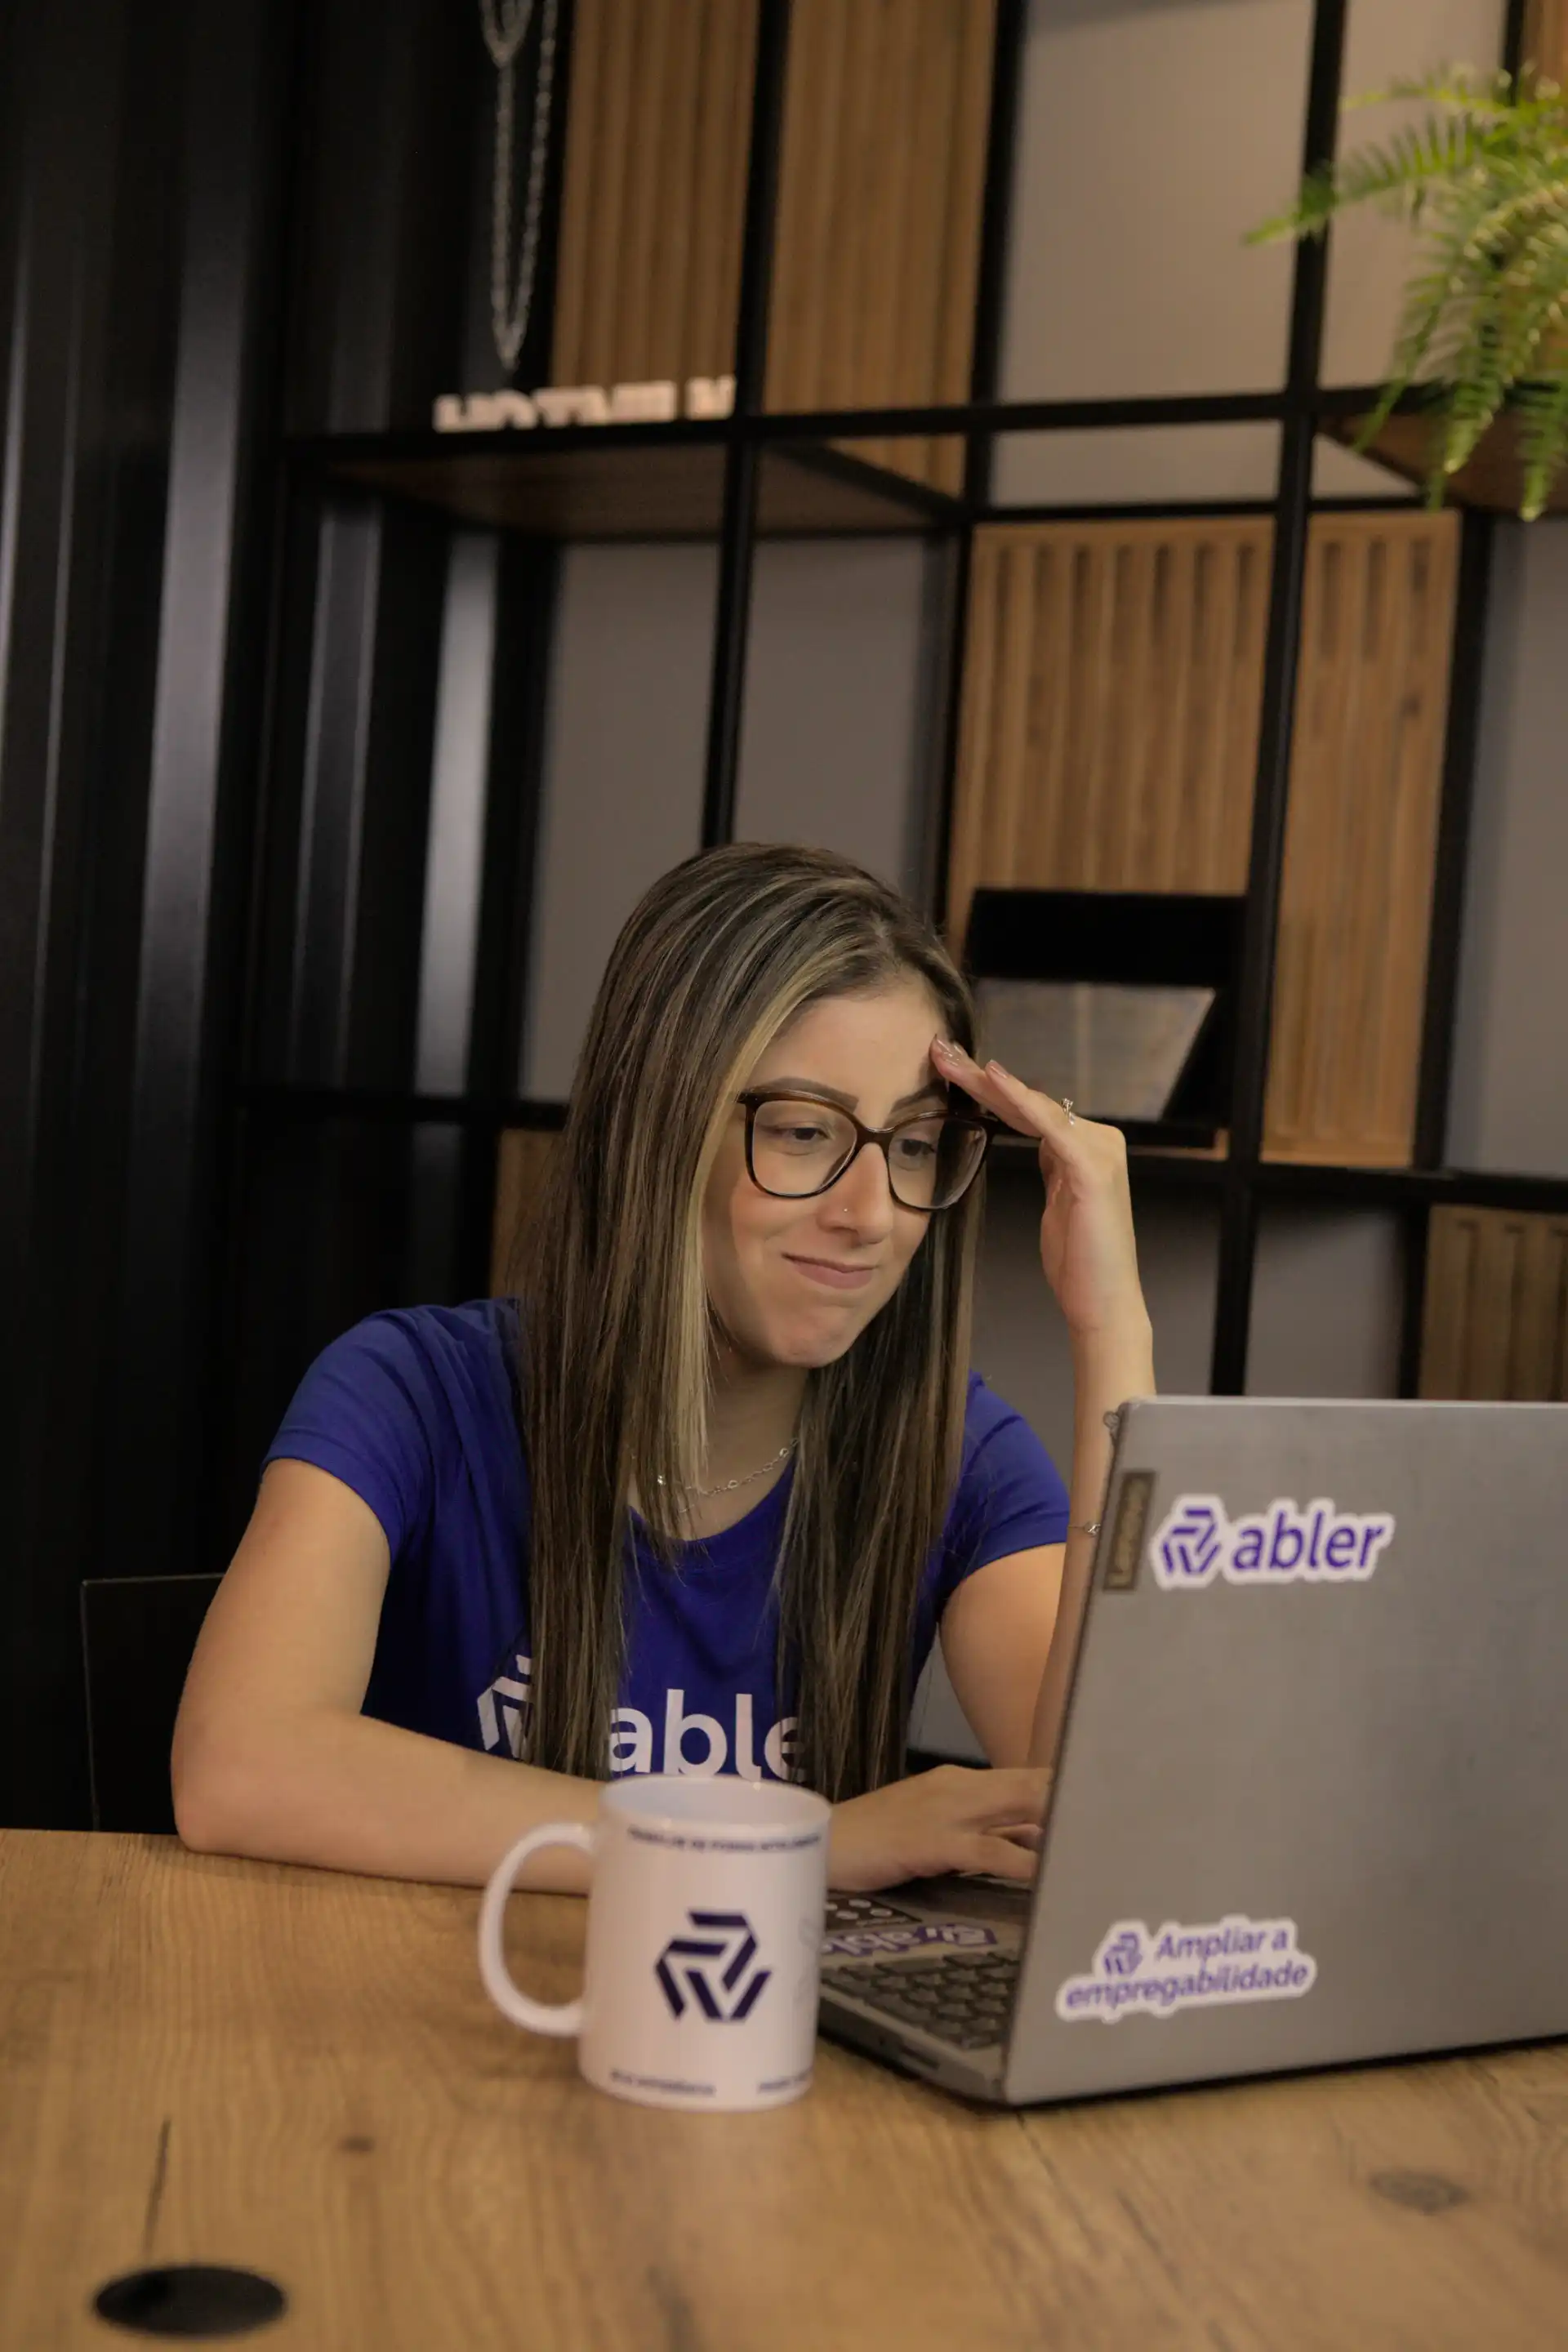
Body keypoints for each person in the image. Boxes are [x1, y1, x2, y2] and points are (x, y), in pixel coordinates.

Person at [173, 844, 1155, 1894]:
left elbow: (1100, 1840)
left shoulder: (955, 1455)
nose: (868, 1213)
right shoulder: (410, 1394)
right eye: (801, 1130)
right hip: (419, 2025)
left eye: (913, 1146)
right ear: (656, 1125)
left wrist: (1114, 1337)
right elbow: (240, 1766)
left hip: (752, 2052)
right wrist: (794, 1846)